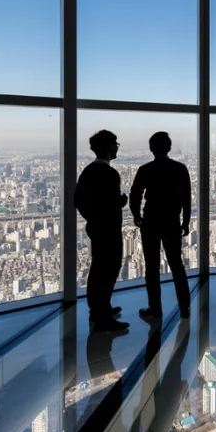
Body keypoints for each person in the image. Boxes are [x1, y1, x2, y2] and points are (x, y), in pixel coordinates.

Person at [129, 131, 192, 321]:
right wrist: (186, 221)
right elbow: (186, 198)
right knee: (177, 265)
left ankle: (155, 309)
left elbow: (135, 195)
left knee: (151, 267)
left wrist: (137, 216)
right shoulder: (180, 169)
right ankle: (185, 307)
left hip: (151, 222)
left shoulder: (145, 169)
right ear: (169, 147)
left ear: (151, 149)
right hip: (172, 220)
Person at [75, 129, 129, 333]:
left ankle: (99, 310)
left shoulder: (87, 171)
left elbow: (77, 200)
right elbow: (111, 203)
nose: (116, 147)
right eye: (115, 143)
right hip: (109, 229)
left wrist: (93, 217)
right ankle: (102, 317)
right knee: (108, 270)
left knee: (98, 269)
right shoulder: (109, 173)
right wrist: (120, 202)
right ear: (108, 147)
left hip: (96, 228)